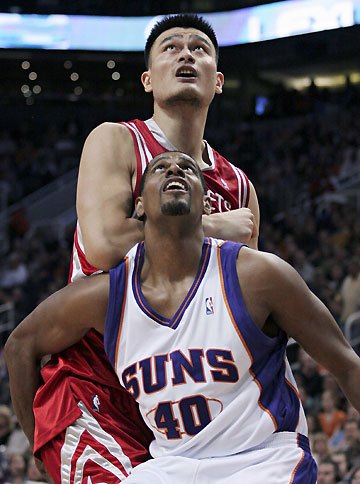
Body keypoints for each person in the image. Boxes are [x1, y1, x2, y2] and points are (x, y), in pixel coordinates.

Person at [6, 151, 360, 483]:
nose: (174, 169)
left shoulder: (257, 276)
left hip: (263, 460)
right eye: (160, 168)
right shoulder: (105, 296)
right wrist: (37, 446)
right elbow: (21, 345)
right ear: (140, 206)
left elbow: (346, 364)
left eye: (188, 168)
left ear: (206, 204)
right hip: (170, 466)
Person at [29, 14, 260, 484]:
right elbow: (106, 243)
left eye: (199, 47)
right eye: (171, 47)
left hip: (176, 397)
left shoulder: (239, 185)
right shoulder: (117, 139)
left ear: (218, 81)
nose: (186, 53)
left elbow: (242, 308)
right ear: (148, 79)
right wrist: (213, 226)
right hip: (93, 380)